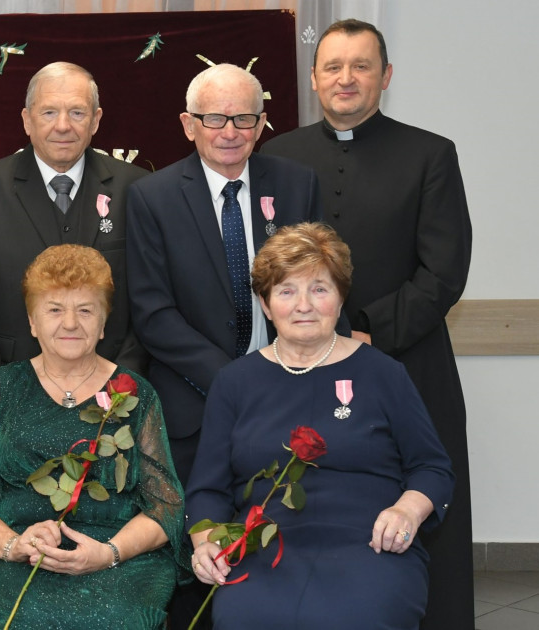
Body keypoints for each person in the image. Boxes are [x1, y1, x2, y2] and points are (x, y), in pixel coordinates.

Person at [261, 20, 474, 628]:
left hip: (410, 359)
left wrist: (367, 333)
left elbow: (445, 270)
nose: (346, 78)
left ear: (386, 76)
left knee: (424, 499)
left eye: (361, 66)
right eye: (333, 66)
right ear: (313, 78)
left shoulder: (430, 154)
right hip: (301, 367)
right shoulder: (276, 158)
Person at [185, 223, 455, 629]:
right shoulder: (234, 382)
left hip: (370, 546)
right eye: (286, 291)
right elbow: (207, 488)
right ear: (265, 304)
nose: (303, 305)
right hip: (264, 549)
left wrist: (407, 511)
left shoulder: (385, 374)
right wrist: (205, 544)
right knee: (244, 616)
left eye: (319, 289)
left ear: (341, 298)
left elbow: (432, 468)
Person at [0, 245, 186, 630]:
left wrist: (109, 553)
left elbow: (166, 506)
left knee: (117, 618)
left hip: (120, 559)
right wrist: (14, 545)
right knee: (29, 616)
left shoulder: (136, 394)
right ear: (32, 322)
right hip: (16, 556)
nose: (71, 323)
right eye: (55, 309)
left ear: (104, 323)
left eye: (86, 310)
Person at [125, 63, 322, 484]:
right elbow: (152, 312)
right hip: (193, 408)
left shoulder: (297, 184)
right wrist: (235, 380)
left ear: (262, 124)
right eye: (214, 118)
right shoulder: (152, 198)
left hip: (291, 395)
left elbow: (322, 289)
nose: (229, 132)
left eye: (244, 119)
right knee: (200, 521)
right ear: (188, 125)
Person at [0, 61, 149, 399]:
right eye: (49, 112)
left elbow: (148, 300)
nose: (63, 126)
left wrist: (118, 390)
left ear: (96, 120)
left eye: (77, 113)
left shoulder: (135, 188)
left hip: (112, 394)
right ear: (27, 120)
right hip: (10, 390)